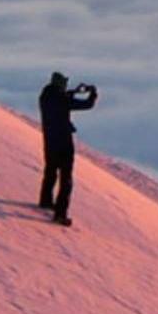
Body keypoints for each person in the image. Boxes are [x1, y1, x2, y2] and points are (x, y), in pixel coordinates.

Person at [38, 71, 98, 226]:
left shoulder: (45, 97)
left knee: (51, 171)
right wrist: (93, 94)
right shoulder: (62, 99)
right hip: (64, 143)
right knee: (66, 179)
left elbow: (61, 98)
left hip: (50, 141)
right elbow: (87, 105)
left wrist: (73, 92)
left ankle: (45, 201)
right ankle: (60, 214)